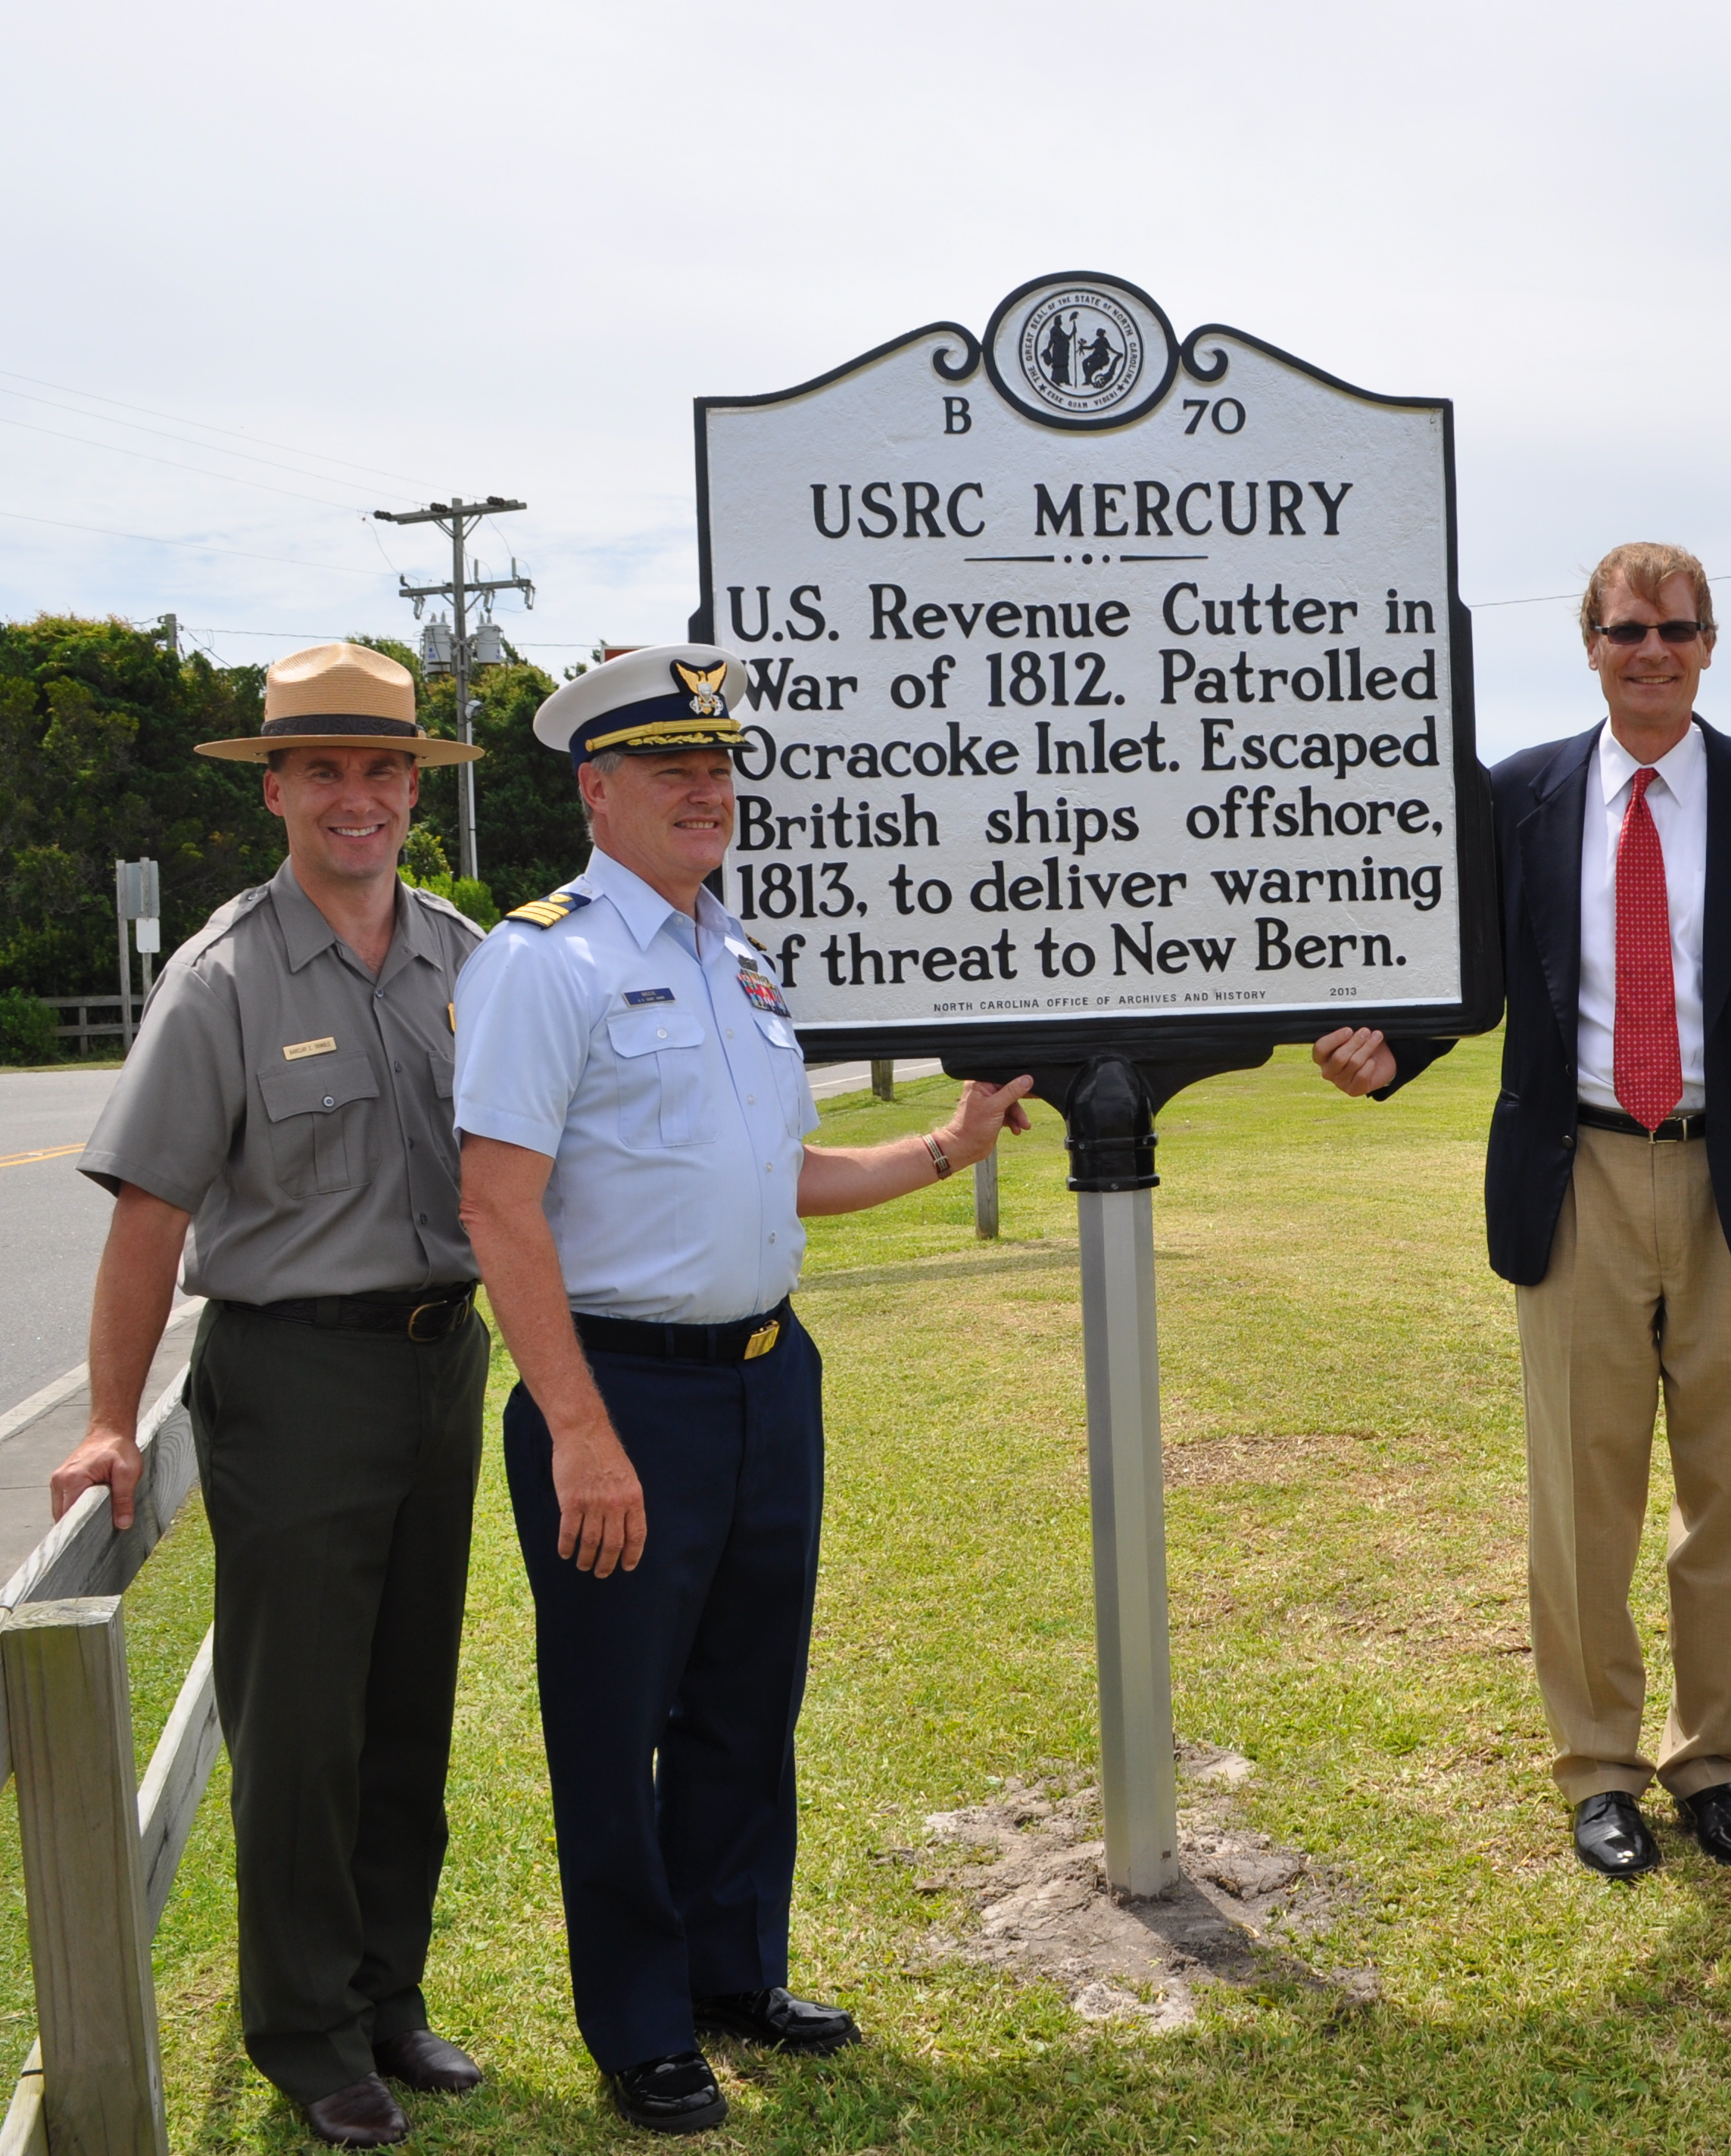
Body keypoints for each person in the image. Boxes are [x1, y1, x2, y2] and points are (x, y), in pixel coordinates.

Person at [452, 645, 1030, 2136]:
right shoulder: (542, 959)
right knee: (613, 1714)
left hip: (770, 1379)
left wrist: (946, 1151)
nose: (706, 787)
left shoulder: (738, 957)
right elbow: (499, 1205)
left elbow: (774, 1173)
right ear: (596, 789)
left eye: (717, 765)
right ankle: (642, 2022)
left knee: (740, 1702)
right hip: (621, 1389)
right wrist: (574, 1423)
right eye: (670, 767)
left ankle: (729, 1970)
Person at [1313, 543, 1731, 1878]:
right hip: (1584, 1177)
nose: (1651, 651)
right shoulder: (1523, 798)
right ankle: (1600, 1769)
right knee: (1583, 1496)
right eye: (1626, 630)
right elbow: (1479, 978)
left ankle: (1712, 1764)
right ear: (1591, 644)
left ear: (1711, 643)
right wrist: (1394, 1049)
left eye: (1675, 629)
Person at [52, 642, 492, 2145]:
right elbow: (146, 1218)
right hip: (296, 1374)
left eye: (381, 768)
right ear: (278, 792)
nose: (355, 796)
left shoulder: (459, 952)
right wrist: (112, 1418)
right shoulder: (222, 977)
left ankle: (387, 1994)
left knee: (404, 1704)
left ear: (412, 787)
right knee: (299, 1723)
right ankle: (309, 2034)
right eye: (323, 769)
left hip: (443, 1360)